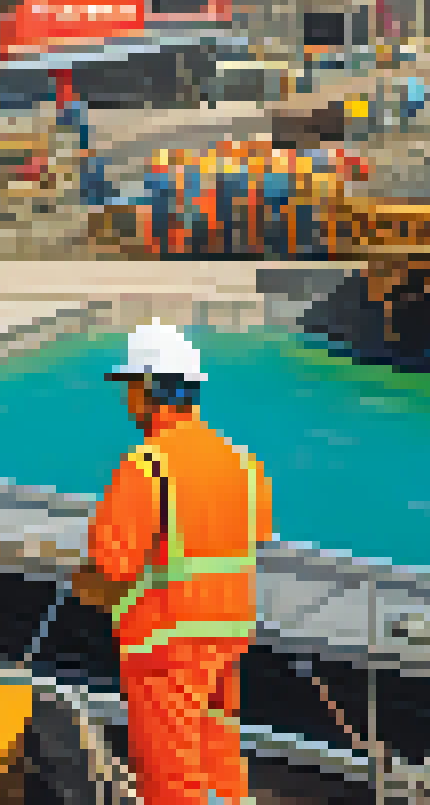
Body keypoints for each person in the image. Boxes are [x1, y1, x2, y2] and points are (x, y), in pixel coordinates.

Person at [74, 324, 275, 805]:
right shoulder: (243, 463)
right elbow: (252, 538)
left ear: (148, 391)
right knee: (219, 762)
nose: (127, 402)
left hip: (165, 649)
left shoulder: (148, 466)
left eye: (130, 390)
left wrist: (79, 582)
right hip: (227, 642)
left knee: (170, 776)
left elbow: (109, 571)